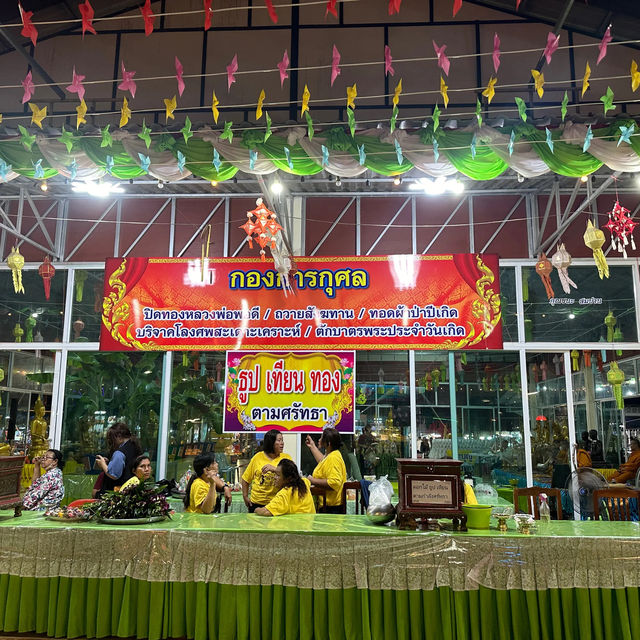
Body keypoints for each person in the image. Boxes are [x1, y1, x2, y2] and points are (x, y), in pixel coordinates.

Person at [241, 429, 292, 512]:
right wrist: (245, 496)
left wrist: (275, 469)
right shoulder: (257, 457)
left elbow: (293, 477)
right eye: (279, 440)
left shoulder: (286, 458)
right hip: (257, 503)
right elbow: (245, 479)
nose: (282, 443)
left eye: (282, 440)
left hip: (277, 502)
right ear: (271, 442)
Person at [305, 428, 347, 513]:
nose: (319, 440)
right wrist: (312, 446)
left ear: (329, 443)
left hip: (332, 508)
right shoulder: (331, 455)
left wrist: (312, 480)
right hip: (328, 505)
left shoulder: (333, 458)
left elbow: (334, 483)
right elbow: (323, 462)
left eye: (321, 438)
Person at [95, 422, 142, 491]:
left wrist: (103, 464)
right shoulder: (135, 446)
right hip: (133, 488)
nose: (111, 442)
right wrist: (110, 462)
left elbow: (113, 474)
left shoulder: (119, 453)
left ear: (119, 437)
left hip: (119, 490)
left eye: (111, 438)